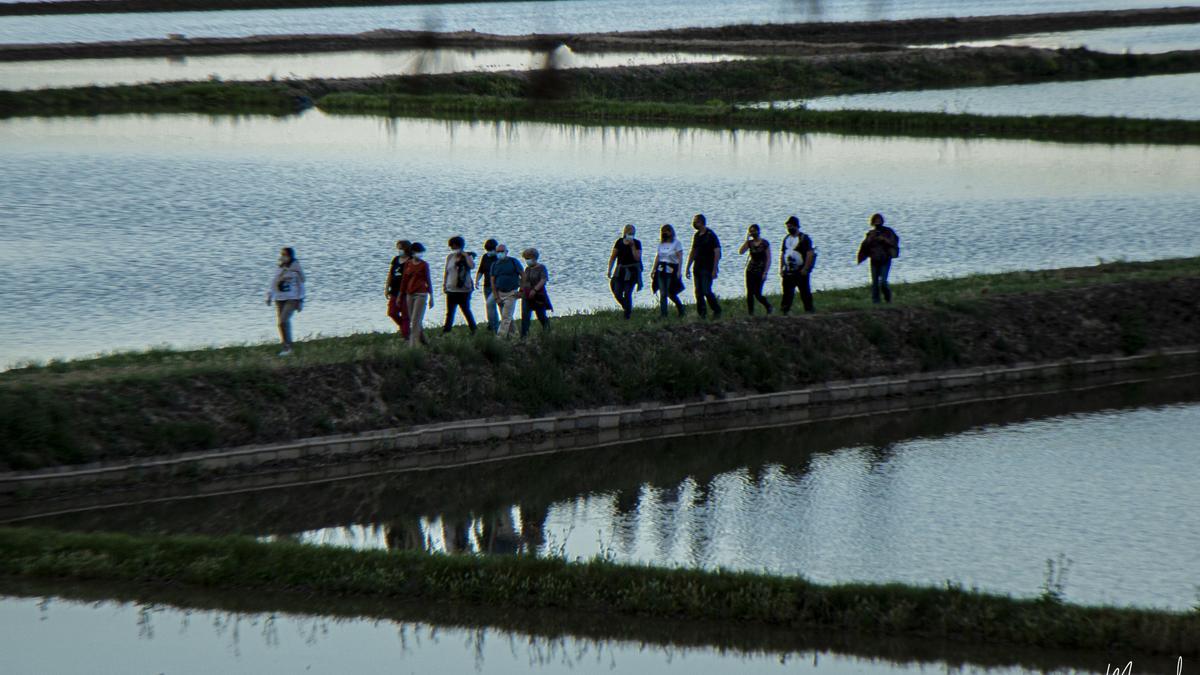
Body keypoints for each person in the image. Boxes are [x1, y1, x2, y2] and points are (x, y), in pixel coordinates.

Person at [266, 246, 305, 356]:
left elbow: (301, 285)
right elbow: (273, 282)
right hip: (279, 299)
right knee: (281, 324)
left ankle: (288, 348)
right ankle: (286, 346)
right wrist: (269, 296)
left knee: (284, 320)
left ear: (290, 256)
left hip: (292, 299)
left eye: (284, 255)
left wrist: (300, 300)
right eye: (281, 255)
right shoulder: (279, 267)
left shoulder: (296, 268)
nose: (282, 257)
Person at [857, 213, 901, 304]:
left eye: (879, 220)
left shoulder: (888, 232)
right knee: (875, 283)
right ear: (872, 222)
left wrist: (884, 240)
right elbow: (864, 247)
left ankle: (888, 299)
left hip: (885, 260)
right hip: (874, 261)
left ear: (882, 221)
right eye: (875, 220)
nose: (877, 222)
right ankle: (876, 302)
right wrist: (870, 239)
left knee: (883, 282)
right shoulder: (871, 234)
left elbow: (894, 242)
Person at [685, 213, 722, 318]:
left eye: (696, 221)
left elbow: (717, 252)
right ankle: (702, 313)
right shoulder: (696, 236)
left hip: (707, 267)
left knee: (706, 290)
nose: (694, 223)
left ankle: (716, 309)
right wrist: (687, 267)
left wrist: (715, 269)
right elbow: (693, 251)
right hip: (697, 267)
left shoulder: (710, 235)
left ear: (701, 222)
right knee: (698, 292)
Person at [399, 242, 434, 347]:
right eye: (418, 252)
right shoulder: (408, 264)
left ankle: (413, 344)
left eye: (421, 252)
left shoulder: (424, 265)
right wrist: (400, 294)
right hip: (409, 294)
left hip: (421, 294)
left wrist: (431, 297)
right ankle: (423, 340)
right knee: (413, 319)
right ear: (413, 252)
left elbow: (428, 280)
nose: (420, 254)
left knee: (415, 319)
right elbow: (404, 280)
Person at [779, 215, 816, 314]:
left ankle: (809, 310)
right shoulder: (786, 238)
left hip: (800, 270)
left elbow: (810, 254)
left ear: (796, 226)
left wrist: (805, 268)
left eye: (791, 226)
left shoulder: (804, 238)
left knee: (804, 291)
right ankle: (785, 310)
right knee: (787, 292)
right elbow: (783, 254)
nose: (789, 228)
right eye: (788, 227)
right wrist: (781, 268)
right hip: (788, 270)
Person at [442, 235, 477, 333]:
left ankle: (474, 329)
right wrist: (444, 285)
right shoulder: (450, 257)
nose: (452, 249)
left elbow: (472, 266)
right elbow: (447, 271)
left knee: (466, 310)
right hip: (451, 289)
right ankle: (446, 331)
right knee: (450, 312)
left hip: (464, 289)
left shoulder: (467, 256)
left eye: (454, 246)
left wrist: (465, 255)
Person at [607, 225, 642, 319]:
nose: (631, 235)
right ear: (625, 233)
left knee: (627, 292)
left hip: (632, 272)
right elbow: (613, 257)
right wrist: (609, 269)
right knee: (617, 292)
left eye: (633, 234)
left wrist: (632, 246)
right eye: (630, 233)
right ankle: (626, 307)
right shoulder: (619, 242)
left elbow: (637, 258)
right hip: (620, 271)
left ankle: (627, 315)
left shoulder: (637, 243)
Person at [651, 224, 686, 318]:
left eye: (667, 231)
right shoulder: (661, 244)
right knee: (663, 293)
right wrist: (653, 269)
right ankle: (663, 314)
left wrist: (679, 271)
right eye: (663, 231)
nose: (665, 233)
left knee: (671, 293)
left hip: (672, 269)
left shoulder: (676, 243)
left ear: (671, 232)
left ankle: (681, 309)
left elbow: (680, 257)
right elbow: (658, 256)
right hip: (661, 269)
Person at [490, 243, 524, 338]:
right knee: (507, 317)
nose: (500, 253)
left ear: (506, 252)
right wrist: (496, 297)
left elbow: (523, 275)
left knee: (506, 317)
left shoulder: (513, 262)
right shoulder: (494, 265)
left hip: (511, 293)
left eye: (502, 251)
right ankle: (515, 335)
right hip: (500, 293)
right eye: (498, 252)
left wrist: (522, 290)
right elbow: (492, 281)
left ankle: (500, 338)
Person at [738, 224, 773, 315]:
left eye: (754, 231)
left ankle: (768, 306)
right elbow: (741, 252)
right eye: (751, 231)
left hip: (760, 270)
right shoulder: (750, 243)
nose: (753, 233)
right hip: (750, 270)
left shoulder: (764, 243)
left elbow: (769, 259)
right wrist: (747, 239)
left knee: (757, 293)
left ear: (758, 231)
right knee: (749, 293)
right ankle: (751, 313)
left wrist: (765, 272)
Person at [520, 248, 552, 337]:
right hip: (527, 295)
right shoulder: (527, 269)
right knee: (525, 315)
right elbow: (524, 281)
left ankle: (547, 331)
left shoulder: (541, 268)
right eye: (525, 258)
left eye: (528, 258)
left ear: (534, 258)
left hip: (538, 295)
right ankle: (524, 336)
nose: (527, 260)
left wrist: (534, 290)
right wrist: (521, 291)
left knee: (540, 315)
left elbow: (543, 280)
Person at [385, 239, 411, 338]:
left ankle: (406, 335)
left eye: (401, 248)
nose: (399, 250)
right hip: (394, 291)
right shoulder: (396, 259)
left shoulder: (411, 260)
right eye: (398, 248)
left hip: (406, 292)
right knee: (392, 312)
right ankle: (404, 327)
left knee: (405, 315)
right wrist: (387, 288)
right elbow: (390, 274)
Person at [474, 238, 501, 334]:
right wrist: (477, 280)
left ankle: (497, 327)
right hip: (486, 286)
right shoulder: (485, 257)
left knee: (492, 305)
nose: (489, 252)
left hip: (497, 287)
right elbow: (481, 270)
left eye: (491, 250)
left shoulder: (499, 258)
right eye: (487, 250)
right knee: (490, 307)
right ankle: (492, 325)